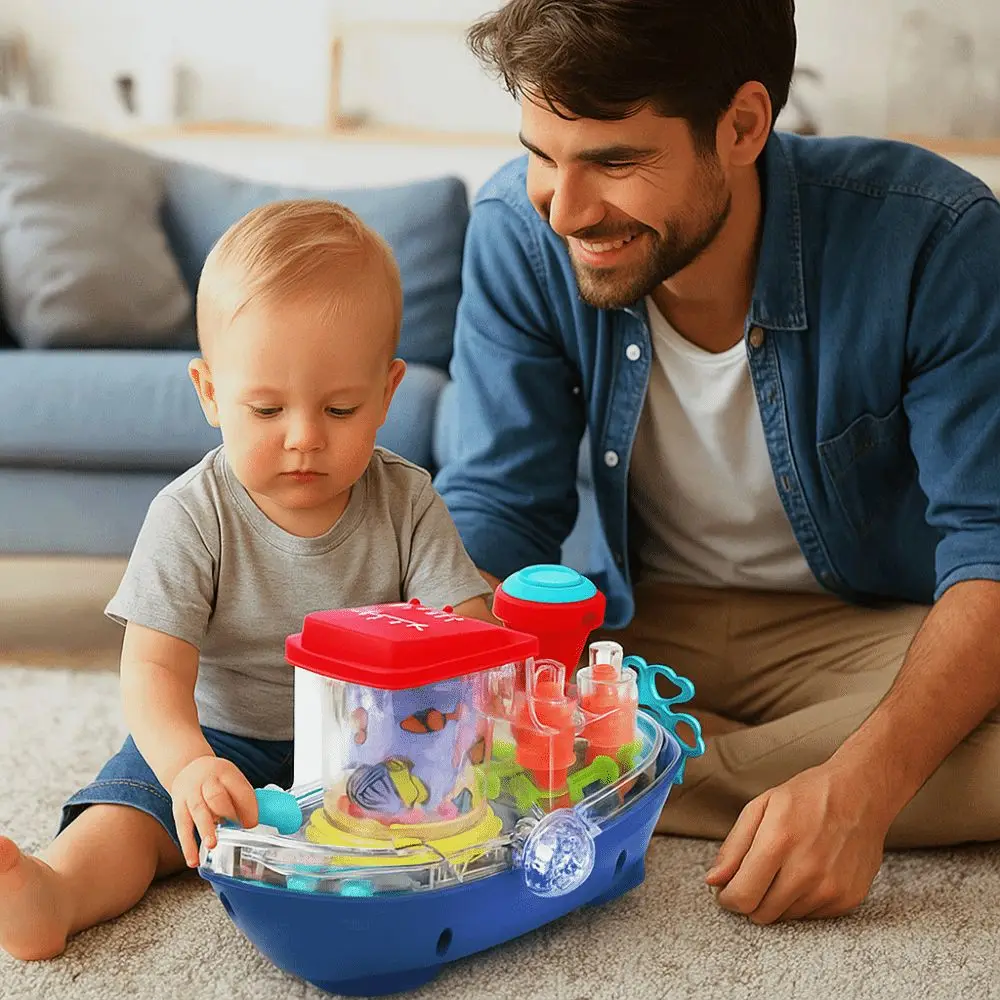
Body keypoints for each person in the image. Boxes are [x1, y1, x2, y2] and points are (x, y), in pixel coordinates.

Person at [435, 0, 1000, 925]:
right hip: (635, 621)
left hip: (861, 628)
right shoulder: (515, 229)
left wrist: (860, 790)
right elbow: (498, 507)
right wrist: (451, 679)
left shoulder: (937, 235)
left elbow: (990, 545)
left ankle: (627, 769)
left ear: (741, 126)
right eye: (543, 153)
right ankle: (698, 761)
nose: (566, 209)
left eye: (614, 160)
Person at [0, 199, 493, 960]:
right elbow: (153, 671)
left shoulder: (407, 500)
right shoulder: (192, 515)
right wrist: (188, 765)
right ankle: (55, 890)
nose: (303, 437)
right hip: (220, 739)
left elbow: (465, 628)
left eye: (339, 407)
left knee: (443, 822)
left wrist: (485, 684)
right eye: (265, 409)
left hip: (367, 747)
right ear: (209, 392)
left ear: (388, 393)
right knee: (133, 821)